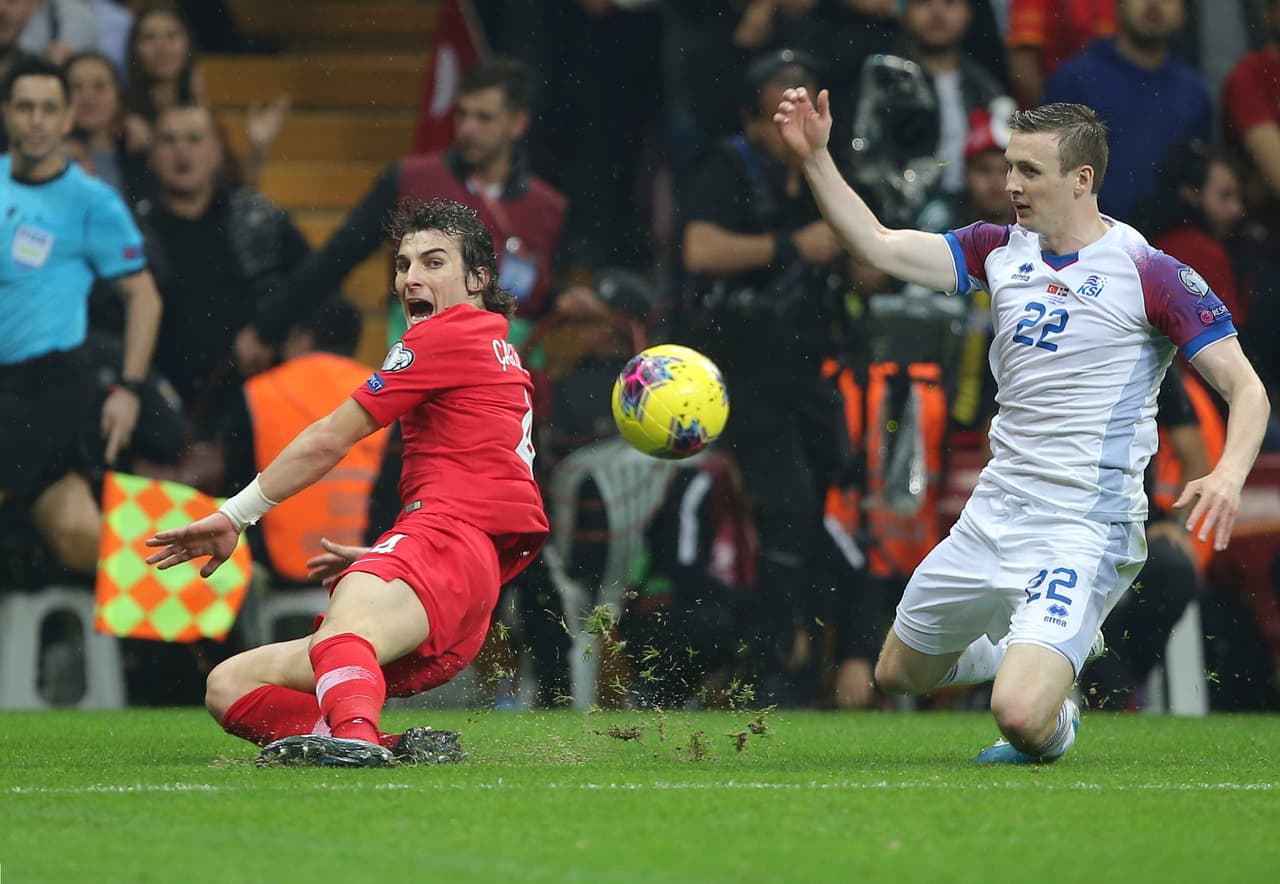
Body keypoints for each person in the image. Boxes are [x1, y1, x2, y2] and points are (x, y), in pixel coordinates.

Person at [771, 86, 1269, 762]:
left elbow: (1247, 388)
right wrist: (817, 158)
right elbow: (879, 245)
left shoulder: (1149, 273)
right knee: (896, 675)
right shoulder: (999, 251)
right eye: (1009, 167)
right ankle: (1028, 652)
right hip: (993, 513)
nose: (1010, 184)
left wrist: (1231, 471)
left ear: (1081, 179)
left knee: (1018, 717)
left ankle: (1053, 705)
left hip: (1082, 528)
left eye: (1029, 171)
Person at [145, 198, 549, 767]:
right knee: (228, 684)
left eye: (434, 263)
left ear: (479, 278)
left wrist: (234, 515)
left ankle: (355, 742)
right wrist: (396, 554)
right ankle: (383, 746)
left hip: (446, 542)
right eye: (404, 265)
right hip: (459, 558)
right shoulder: (502, 351)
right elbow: (497, 484)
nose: (412, 277)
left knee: (343, 635)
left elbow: (330, 439)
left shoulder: (442, 337)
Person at [0, 56, 163, 577]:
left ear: (69, 117)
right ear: (6, 113)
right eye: (25, 107)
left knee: (77, 539)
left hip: (47, 389)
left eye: (49, 108)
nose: (37, 120)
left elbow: (145, 297)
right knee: (71, 538)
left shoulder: (93, 202)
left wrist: (131, 390)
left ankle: (209, 618)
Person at [1043, 0, 1211, 220]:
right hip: (1083, 239)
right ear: (1117, 6)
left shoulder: (1195, 94)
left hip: (1167, 243)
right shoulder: (1074, 80)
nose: (1154, 4)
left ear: (1184, 14)